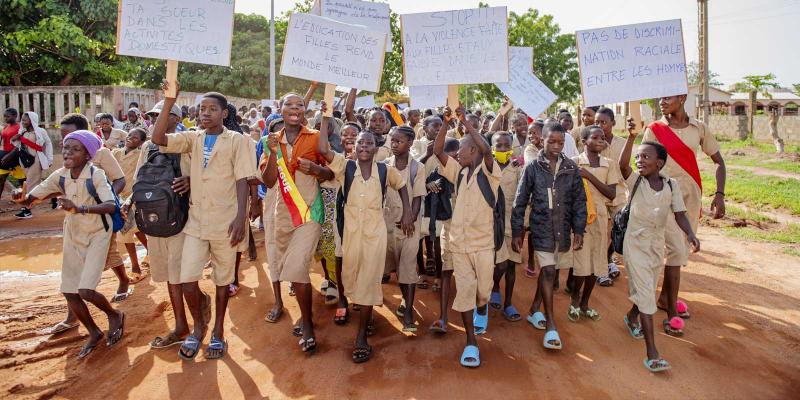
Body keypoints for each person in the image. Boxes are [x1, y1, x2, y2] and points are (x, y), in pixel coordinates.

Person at [152, 81, 256, 360]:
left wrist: (240, 218)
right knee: (188, 281)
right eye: (201, 109)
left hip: (225, 222)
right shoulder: (193, 138)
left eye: (212, 109)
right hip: (196, 222)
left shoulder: (238, 140)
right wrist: (169, 101)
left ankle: (218, 332)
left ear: (224, 113)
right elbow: (159, 139)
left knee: (223, 280)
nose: (205, 113)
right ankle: (198, 327)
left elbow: (244, 180)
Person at [13, 130, 125, 359]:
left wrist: (80, 208)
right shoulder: (60, 175)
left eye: (75, 149)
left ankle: (114, 315)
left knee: (85, 290)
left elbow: (111, 206)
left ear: (88, 155)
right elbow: (32, 199)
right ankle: (93, 332)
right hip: (73, 233)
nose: (67, 152)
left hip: (97, 233)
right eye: (66, 148)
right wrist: (20, 198)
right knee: (69, 290)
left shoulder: (96, 175)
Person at [318, 126, 413, 363]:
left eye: (368, 144)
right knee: (351, 277)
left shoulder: (384, 171)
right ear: (352, 146)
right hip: (351, 234)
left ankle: (361, 338)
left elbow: (401, 185)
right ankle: (365, 311)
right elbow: (322, 148)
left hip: (375, 235)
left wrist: (408, 211)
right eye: (360, 143)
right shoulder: (345, 167)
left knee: (369, 280)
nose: (363, 147)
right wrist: (326, 116)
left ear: (376, 148)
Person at [618, 123, 700, 373]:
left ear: (660, 163)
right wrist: (631, 138)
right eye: (638, 156)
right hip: (635, 244)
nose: (640, 161)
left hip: (655, 247)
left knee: (646, 291)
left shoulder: (671, 186)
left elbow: (680, 213)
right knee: (645, 291)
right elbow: (623, 166)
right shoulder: (636, 182)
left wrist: (690, 234)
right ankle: (652, 353)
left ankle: (632, 316)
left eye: (646, 157)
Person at [641, 95, 726, 335]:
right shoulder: (655, 130)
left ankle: (666, 298)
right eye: (660, 98)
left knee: (680, 248)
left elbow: (719, 161)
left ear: (682, 98)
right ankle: (671, 313)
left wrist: (719, 194)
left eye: (667, 97)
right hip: (664, 197)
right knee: (675, 249)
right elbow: (644, 163)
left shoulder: (699, 128)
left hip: (691, 196)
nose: (662, 102)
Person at [42, 113, 131, 336]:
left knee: (109, 255)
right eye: (63, 138)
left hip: (100, 217)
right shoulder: (69, 158)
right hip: (76, 221)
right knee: (73, 271)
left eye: (68, 134)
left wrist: (103, 200)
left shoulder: (102, 153)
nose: (65, 143)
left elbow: (119, 179)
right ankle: (73, 316)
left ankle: (123, 281)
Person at [261, 91, 334, 353]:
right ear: (280, 110)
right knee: (291, 269)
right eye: (288, 104)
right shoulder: (272, 141)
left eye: (299, 104)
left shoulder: (315, 138)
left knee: (298, 265)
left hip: (309, 215)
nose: (294, 108)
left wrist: (316, 170)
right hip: (282, 215)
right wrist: (271, 154)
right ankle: (305, 316)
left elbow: (331, 173)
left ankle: (308, 325)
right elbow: (268, 182)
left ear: (305, 109)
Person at [433, 104, 499, 368]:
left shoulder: (490, 172)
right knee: (466, 292)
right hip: (459, 244)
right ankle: (471, 341)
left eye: (460, 149)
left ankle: (482, 306)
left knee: (483, 291)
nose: (456, 154)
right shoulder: (458, 172)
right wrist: (447, 122)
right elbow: (438, 150)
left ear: (472, 151)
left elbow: (487, 150)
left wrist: (467, 123)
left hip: (483, 244)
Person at [511, 122, 586, 351]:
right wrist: (517, 231)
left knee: (549, 269)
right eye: (551, 141)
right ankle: (551, 325)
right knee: (550, 273)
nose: (556, 146)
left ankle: (534, 310)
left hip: (562, 230)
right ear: (541, 140)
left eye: (560, 142)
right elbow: (519, 201)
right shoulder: (532, 168)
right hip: (542, 229)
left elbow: (579, 201)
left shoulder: (571, 168)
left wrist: (579, 229)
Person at [129, 106, 194, 350]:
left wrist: (190, 181)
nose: (155, 119)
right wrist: (130, 203)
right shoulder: (148, 147)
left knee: (181, 274)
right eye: (153, 116)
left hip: (182, 215)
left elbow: (202, 175)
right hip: (155, 217)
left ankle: (182, 325)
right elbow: (139, 180)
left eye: (160, 115)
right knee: (168, 273)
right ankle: (183, 322)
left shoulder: (189, 140)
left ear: (176, 118)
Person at [565, 126, 620, 323]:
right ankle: (574, 300)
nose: (600, 140)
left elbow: (611, 193)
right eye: (595, 137)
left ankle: (585, 303)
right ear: (584, 140)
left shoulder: (609, 164)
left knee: (597, 263)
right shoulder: (575, 163)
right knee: (581, 264)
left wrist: (589, 176)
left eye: (602, 138)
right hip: (580, 220)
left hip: (600, 219)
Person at [384, 125, 427, 332]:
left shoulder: (417, 168)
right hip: (389, 224)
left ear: (410, 143)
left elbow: (418, 197)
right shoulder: (385, 165)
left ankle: (409, 310)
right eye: (392, 140)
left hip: (409, 227)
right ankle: (404, 299)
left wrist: (410, 216)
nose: (394, 144)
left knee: (408, 267)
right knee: (397, 268)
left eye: (399, 141)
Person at [488, 132, 523, 322]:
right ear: (492, 147)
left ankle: (508, 303)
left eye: (506, 146)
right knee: (497, 264)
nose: (502, 149)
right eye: (498, 145)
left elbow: (522, 199)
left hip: (512, 224)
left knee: (511, 266)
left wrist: (520, 229)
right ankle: (494, 287)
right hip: (490, 225)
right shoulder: (486, 167)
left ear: (512, 147)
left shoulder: (517, 169)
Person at [595, 107, 628, 287]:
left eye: (604, 122)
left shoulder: (622, 143)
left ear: (613, 123)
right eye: (597, 122)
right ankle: (600, 270)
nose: (600, 125)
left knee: (619, 228)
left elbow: (627, 168)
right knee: (600, 231)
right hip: (598, 192)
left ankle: (608, 258)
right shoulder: (592, 142)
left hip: (619, 192)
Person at [112, 128, 150, 283]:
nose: (130, 138)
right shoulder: (115, 153)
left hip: (134, 197)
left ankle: (136, 266)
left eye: (135, 138)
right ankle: (149, 254)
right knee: (131, 230)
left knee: (130, 230)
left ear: (141, 142)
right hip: (118, 198)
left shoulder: (141, 156)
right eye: (129, 136)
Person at [14, 111, 53, 219]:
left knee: (31, 184)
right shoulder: (22, 132)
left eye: (25, 119)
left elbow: (48, 143)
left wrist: (49, 159)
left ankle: (27, 210)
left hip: (36, 160)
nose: (23, 121)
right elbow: (18, 145)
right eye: (22, 119)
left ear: (32, 120)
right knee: (33, 183)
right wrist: (15, 139)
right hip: (24, 161)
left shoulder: (40, 131)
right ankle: (53, 196)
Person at [0, 108, 24, 202]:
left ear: (15, 116)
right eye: (4, 116)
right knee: (1, 179)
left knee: (22, 181)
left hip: (15, 158)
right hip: (5, 158)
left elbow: (20, 145)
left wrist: (9, 156)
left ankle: (26, 203)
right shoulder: (6, 127)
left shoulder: (19, 128)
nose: (5, 118)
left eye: (8, 116)